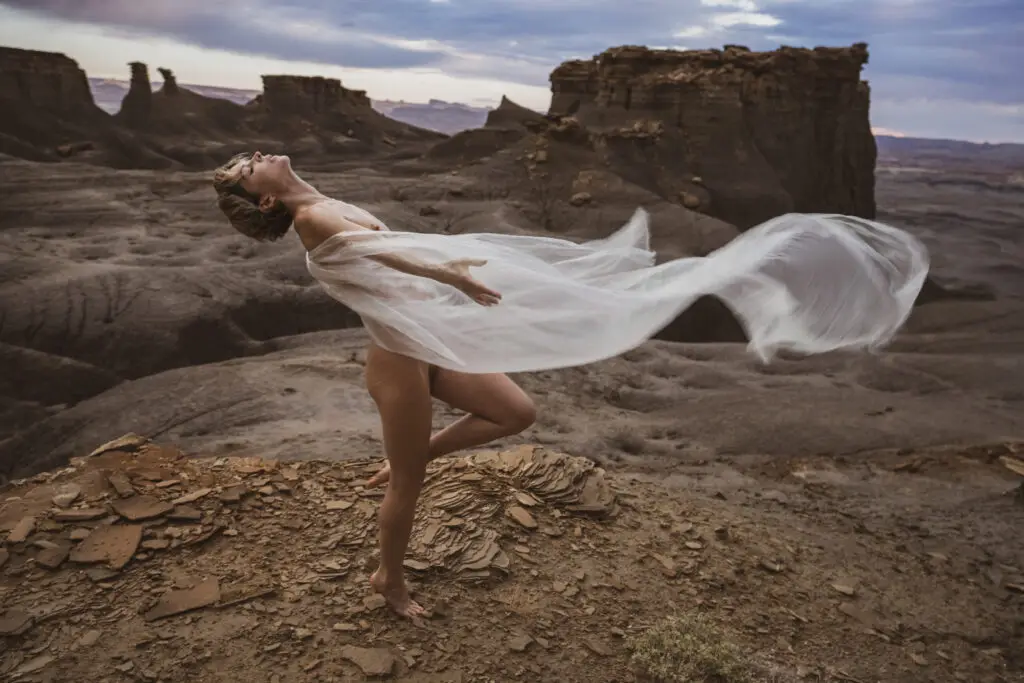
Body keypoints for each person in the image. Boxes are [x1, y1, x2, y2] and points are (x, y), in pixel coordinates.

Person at [212, 150, 930, 618]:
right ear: (266, 203)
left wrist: (450, 288)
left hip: (435, 341)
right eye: (248, 168)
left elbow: (379, 249)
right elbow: (380, 251)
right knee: (406, 488)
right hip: (399, 360)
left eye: (247, 158)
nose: (259, 157)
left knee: (515, 411)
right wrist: (453, 274)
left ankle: (416, 454)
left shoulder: (317, 196)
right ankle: (388, 582)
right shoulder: (309, 217)